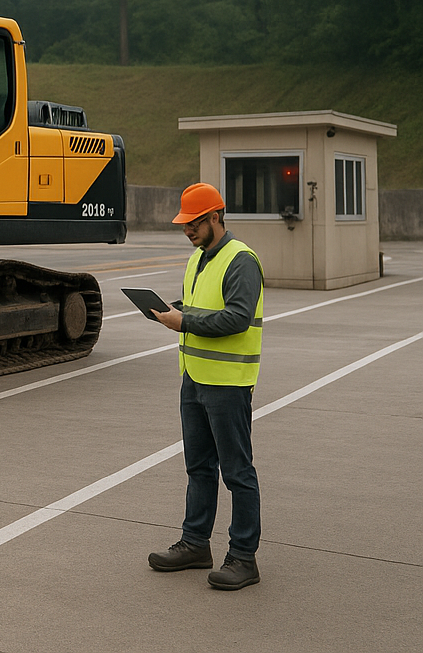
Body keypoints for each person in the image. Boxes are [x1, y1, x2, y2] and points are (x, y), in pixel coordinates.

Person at [146, 182, 265, 590]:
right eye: (184, 224)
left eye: (193, 223)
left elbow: (237, 318)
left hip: (229, 383)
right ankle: (196, 543)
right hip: (194, 378)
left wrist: (184, 322)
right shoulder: (198, 259)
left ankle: (244, 558)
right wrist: (172, 311)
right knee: (198, 468)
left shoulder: (241, 260)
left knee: (237, 472)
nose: (187, 230)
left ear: (216, 216)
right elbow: (201, 308)